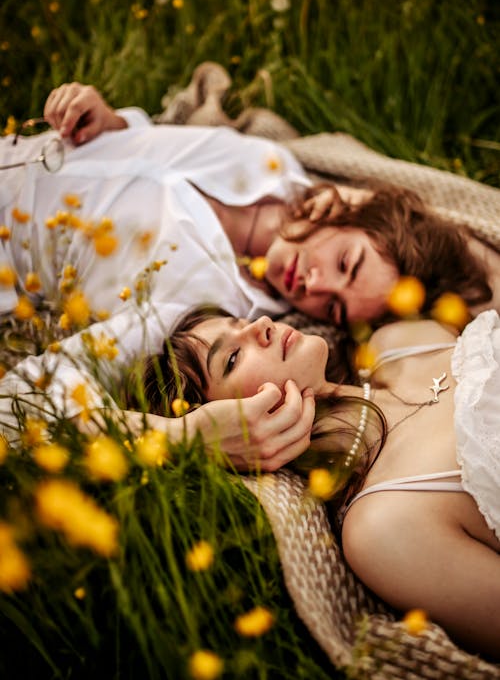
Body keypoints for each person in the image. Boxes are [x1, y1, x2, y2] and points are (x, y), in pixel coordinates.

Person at [0, 82, 498, 470]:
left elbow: (19, 401)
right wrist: (113, 125)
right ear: (345, 211)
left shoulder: (197, 306)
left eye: (334, 308)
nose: (316, 286)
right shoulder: (272, 163)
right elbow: (153, 147)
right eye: (345, 262)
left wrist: (183, 435)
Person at [141, 305, 500, 661]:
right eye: (232, 358)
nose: (262, 325)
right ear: (230, 428)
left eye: (245, 322)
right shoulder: (383, 526)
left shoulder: (399, 341)